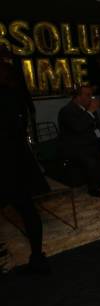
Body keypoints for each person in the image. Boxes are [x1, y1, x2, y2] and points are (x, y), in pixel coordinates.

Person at [0, 49, 50, 273]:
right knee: (28, 209)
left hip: (6, 160)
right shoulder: (15, 94)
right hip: (16, 159)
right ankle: (37, 256)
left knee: (26, 209)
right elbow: (21, 125)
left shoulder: (11, 95)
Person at [58, 85, 100, 197]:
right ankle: (95, 188)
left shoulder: (89, 110)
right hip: (76, 146)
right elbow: (78, 127)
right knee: (91, 155)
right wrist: (89, 112)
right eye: (87, 95)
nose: (91, 98)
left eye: (91, 95)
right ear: (77, 97)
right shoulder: (67, 111)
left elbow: (98, 127)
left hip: (90, 143)